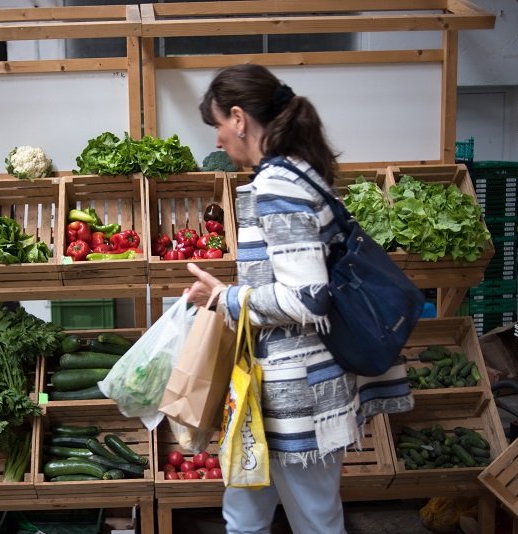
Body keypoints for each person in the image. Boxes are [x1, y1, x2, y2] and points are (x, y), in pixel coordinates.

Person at [185, 63, 414, 534]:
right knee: (244, 516)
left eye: (217, 125)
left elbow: (307, 297)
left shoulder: (277, 186)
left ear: (238, 118)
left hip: (299, 398)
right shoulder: (298, 174)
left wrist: (228, 297)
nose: (217, 141)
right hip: (267, 393)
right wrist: (226, 296)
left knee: (314, 520)